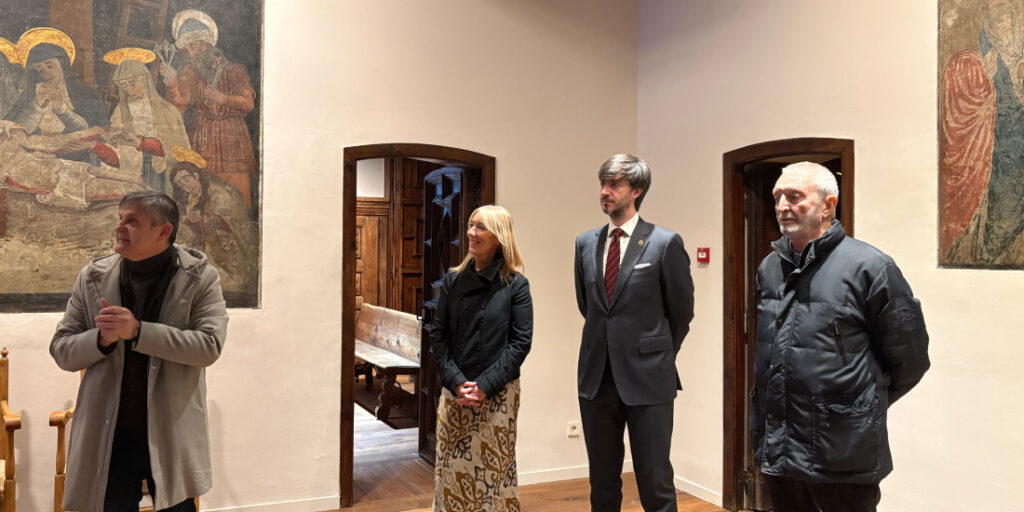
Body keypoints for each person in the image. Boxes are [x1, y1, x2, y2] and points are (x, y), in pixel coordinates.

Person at [751, 162, 930, 512]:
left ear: (827, 205)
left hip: (842, 451)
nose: (782, 205)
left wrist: (859, 406)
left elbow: (911, 359)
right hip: (779, 445)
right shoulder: (770, 267)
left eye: (794, 196)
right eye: (777, 197)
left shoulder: (871, 267)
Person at [50, 191, 228, 512]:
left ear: (163, 231)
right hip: (109, 430)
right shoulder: (92, 277)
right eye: (120, 218)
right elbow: (62, 350)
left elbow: (208, 347)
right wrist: (101, 339)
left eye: (132, 221)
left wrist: (138, 332)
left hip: (171, 428)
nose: (119, 227)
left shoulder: (200, 278)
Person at [574, 154, 695, 512]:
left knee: (655, 483)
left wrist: (655, 353)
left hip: (649, 379)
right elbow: (589, 307)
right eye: (603, 184)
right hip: (597, 378)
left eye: (614, 184)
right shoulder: (584, 243)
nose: (604, 191)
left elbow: (681, 313)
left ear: (637, 191)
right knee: (602, 483)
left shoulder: (664, 243)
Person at [429, 204, 533, 511]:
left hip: (497, 395)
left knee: (493, 476)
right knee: (450, 473)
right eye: (471, 225)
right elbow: (438, 335)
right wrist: (456, 381)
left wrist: (485, 386)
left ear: (499, 237)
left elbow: (520, 343)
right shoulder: (453, 280)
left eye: (481, 227)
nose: (471, 233)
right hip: (456, 392)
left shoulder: (516, 285)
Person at [159, 9, 258, 208]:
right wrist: (172, 84)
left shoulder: (233, 70)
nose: (190, 53)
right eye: (186, 50)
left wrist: (223, 98)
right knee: (206, 189)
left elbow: (248, 103)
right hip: (204, 135)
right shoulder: (189, 72)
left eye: (193, 47)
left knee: (237, 190)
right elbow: (179, 105)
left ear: (206, 44)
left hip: (232, 136)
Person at [5, 29, 109, 162]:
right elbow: (15, 130)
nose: (45, 73)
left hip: (72, 158)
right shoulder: (31, 93)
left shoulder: (84, 94)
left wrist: (62, 110)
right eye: (39, 69)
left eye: (50, 66)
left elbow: (92, 130)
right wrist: (37, 108)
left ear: (62, 65)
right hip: (34, 157)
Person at [107, 51, 191, 193]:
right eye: (124, 85)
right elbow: (115, 137)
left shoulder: (168, 110)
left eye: (132, 83)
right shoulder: (120, 110)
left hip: (160, 170)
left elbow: (180, 150)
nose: (129, 89)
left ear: (145, 79)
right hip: (132, 169)